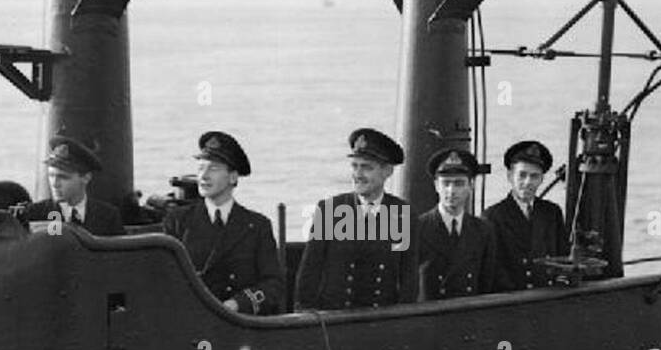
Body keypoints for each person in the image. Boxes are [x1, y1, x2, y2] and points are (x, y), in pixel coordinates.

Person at [163, 131, 284, 316]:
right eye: (201, 168)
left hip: (240, 323)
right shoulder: (178, 221)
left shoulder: (257, 226)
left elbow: (272, 285)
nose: (203, 176)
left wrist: (237, 304)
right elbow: (165, 279)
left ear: (233, 177)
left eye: (213, 169)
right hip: (192, 323)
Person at [294, 128, 416, 310]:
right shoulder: (330, 210)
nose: (358, 174)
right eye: (355, 166)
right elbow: (309, 273)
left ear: (387, 171)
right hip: (335, 321)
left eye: (366, 167)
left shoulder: (401, 214)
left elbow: (408, 279)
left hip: (381, 321)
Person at [482, 140, 568, 291]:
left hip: (549, 296)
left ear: (541, 179)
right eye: (522, 175)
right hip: (512, 301)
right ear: (510, 176)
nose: (528, 182)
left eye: (534, 176)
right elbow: (492, 270)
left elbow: (563, 257)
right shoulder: (493, 217)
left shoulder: (552, 212)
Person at [417, 148, 497, 300]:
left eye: (459, 184)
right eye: (446, 183)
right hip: (429, 317)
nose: (451, 191)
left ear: (470, 187)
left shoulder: (484, 230)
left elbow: (486, 284)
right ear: (436, 185)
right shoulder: (416, 228)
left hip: (467, 315)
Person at [23, 136, 124, 236]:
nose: (55, 184)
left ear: (85, 178)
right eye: (51, 176)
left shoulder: (108, 217)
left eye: (63, 177)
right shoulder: (34, 215)